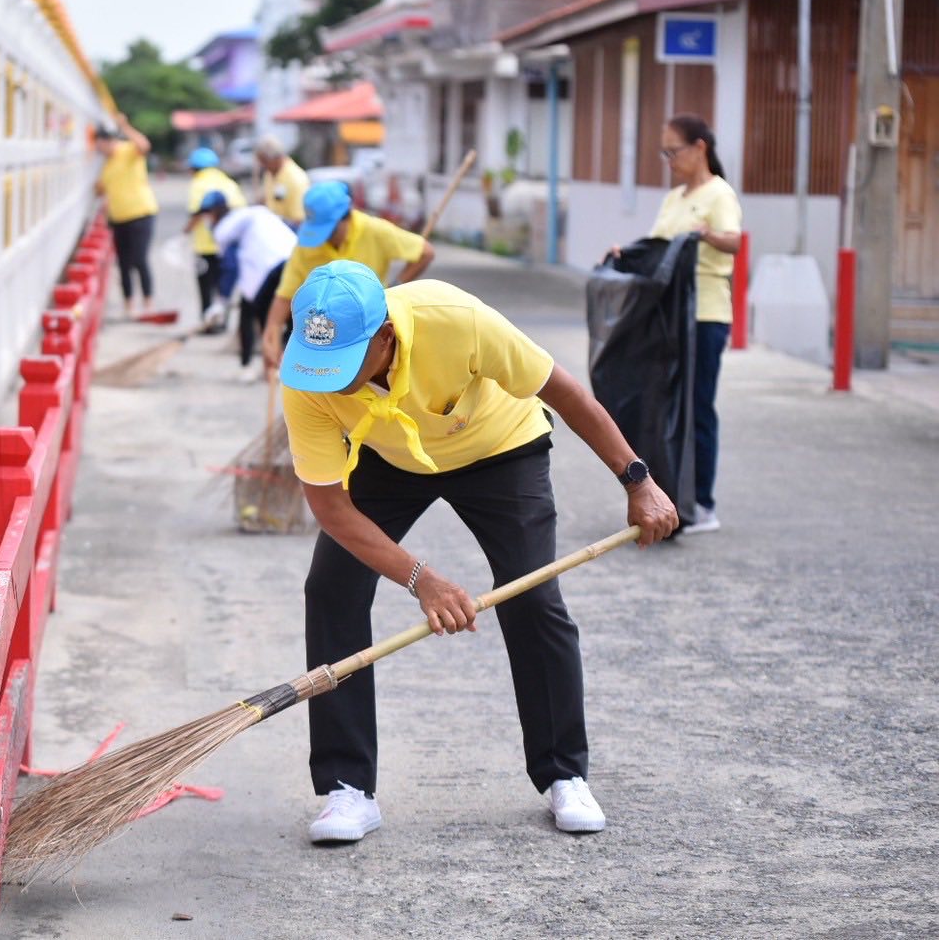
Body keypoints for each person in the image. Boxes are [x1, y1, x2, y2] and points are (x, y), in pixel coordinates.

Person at [277, 260, 678, 844]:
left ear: (385, 335)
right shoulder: (309, 376)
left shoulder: (455, 317)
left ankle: (564, 772)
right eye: (320, 367)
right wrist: (421, 579)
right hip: (390, 460)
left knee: (532, 596)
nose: (330, 381)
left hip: (498, 448)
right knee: (331, 587)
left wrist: (638, 481)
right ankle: (347, 788)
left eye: (344, 366)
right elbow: (332, 507)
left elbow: (563, 393)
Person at [647, 114, 742, 534]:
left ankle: (702, 501)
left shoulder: (719, 194)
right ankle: (671, 495)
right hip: (669, 316)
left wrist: (705, 235)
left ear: (700, 147)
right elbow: (654, 248)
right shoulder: (673, 199)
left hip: (704, 315)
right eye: (664, 151)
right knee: (667, 406)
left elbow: (734, 240)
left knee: (698, 406)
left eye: (675, 150)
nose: (669, 159)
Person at [260, 180, 435, 370]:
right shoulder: (306, 246)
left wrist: (393, 289)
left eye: (329, 230)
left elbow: (425, 253)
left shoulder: (374, 230)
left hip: (370, 332)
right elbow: (285, 294)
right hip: (327, 335)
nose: (324, 237)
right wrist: (273, 329)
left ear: (346, 217)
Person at [193, 190, 295, 377]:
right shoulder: (252, 214)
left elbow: (231, 267)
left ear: (214, 213)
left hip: (268, 271)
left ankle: (267, 368)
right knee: (289, 319)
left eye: (206, 214)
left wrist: (221, 301)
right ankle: (281, 367)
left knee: (260, 319)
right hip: (293, 262)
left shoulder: (225, 229)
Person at [94, 113, 160, 318]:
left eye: (99, 144)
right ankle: (129, 305)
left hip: (141, 213)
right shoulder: (106, 166)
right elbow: (102, 191)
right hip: (118, 219)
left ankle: (148, 304)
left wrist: (125, 127)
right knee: (123, 263)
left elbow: (144, 146)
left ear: (108, 141)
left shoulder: (128, 151)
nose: (98, 149)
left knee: (139, 259)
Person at [182, 147, 247, 329]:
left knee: (205, 287)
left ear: (195, 168)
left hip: (205, 247)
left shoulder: (198, 184)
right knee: (223, 284)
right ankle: (221, 321)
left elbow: (197, 214)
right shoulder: (228, 182)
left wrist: (185, 233)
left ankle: (208, 322)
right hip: (228, 247)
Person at [256, 136, 310, 227]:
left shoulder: (296, 179)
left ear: (276, 159)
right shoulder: (270, 173)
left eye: (264, 162)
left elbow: (299, 220)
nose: (262, 166)